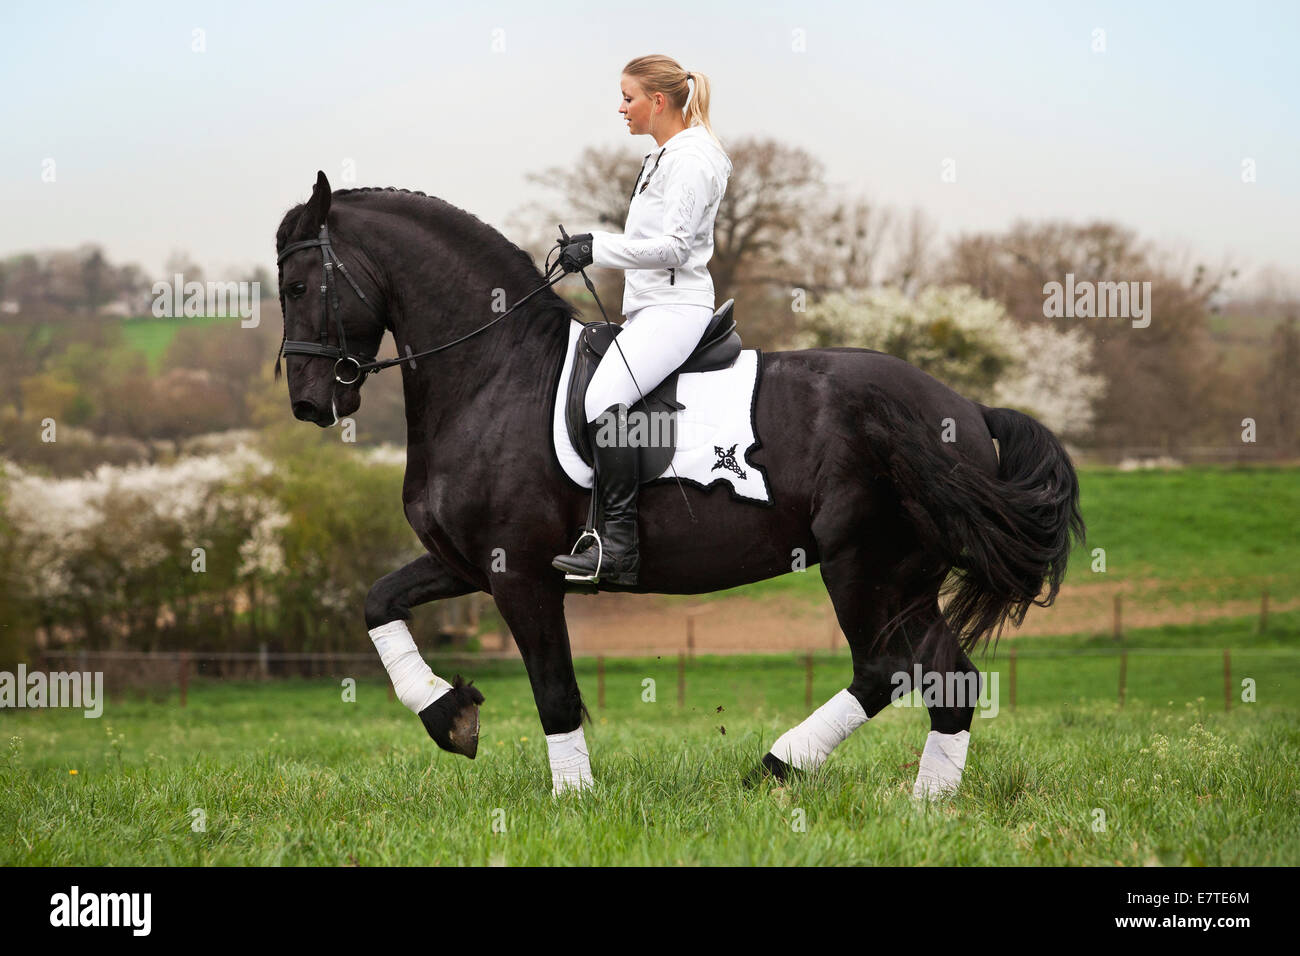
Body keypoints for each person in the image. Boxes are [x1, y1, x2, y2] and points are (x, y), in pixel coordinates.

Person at [551, 55, 733, 586]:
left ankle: (619, 549)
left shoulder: (692, 159)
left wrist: (598, 247)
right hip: (651, 308)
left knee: (602, 400)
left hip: (676, 309)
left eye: (628, 97)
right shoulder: (664, 156)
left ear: (657, 101)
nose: (620, 107)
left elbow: (676, 248)